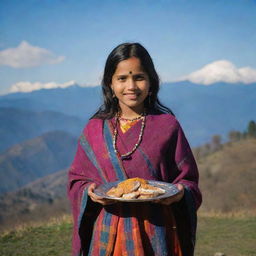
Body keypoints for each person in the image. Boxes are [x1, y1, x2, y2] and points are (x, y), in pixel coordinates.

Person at [67, 42, 202, 256]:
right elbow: (77, 180)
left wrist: (178, 194)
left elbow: (188, 181)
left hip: (157, 231)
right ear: (110, 84)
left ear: (151, 82)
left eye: (139, 77)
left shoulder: (167, 126)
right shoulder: (95, 129)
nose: (131, 86)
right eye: (122, 78)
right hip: (108, 234)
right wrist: (90, 191)